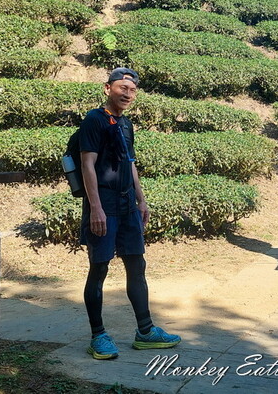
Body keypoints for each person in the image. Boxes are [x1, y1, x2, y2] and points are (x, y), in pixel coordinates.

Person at [78, 67, 181, 360]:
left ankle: (146, 332)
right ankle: (98, 336)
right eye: (122, 87)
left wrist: (141, 199)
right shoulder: (93, 120)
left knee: (137, 265)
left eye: (133, 90)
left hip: (127, 206)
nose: (128, 94)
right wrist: (95, 207)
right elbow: (87, 166)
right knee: (99, 268)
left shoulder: (126, 125)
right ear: (107, 88)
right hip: (104, 205)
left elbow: (129, 163)